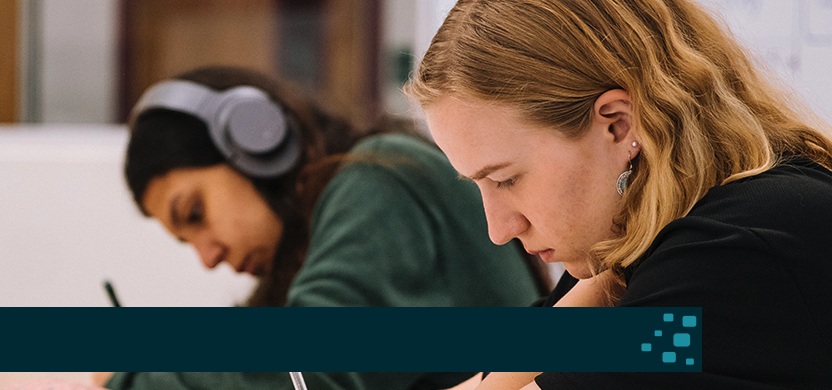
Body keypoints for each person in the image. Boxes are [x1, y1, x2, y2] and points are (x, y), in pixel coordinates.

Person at [405, 0, 832, 389]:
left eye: (506, 179)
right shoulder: (627, 243)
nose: (499, 230)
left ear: (619, 126)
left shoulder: (740, 250)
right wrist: (602, 284)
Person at [105, 66, 545, 390]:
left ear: (255, 139)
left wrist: (132, 379)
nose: (208, 257)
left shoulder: (381, 177)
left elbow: (305, 373)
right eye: (187, 243)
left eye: (196, 214)